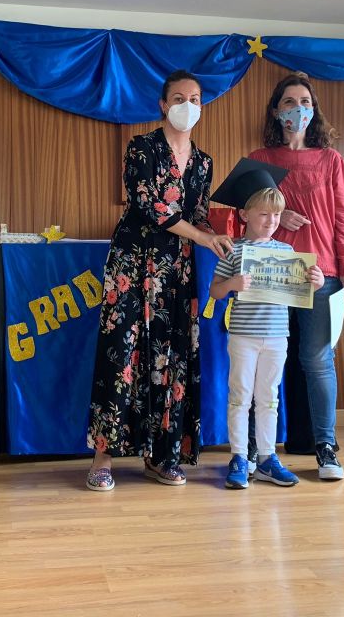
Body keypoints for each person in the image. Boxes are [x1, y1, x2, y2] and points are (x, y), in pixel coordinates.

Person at [86, 70, 233, 491]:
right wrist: (202, 237)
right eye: (179, 98)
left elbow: (198, 215)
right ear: (163, 105)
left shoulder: (204, 162)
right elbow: (153, 207)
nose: (188, 105)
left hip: (176, 270)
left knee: (172, 358)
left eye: (195, 99)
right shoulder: (141, 147)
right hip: (132, 265)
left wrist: (220, 235)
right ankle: (103, 457)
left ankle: (161, 455)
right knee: (122, 354)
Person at [249, 72, 344, 481]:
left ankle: (325, 447)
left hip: (320, 272)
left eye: (305, 102)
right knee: (264, 357)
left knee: (317, 359)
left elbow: (343, 217)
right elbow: (244, 217)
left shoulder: (331, 160)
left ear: (314, 110)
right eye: (290, 102)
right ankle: (255, 447)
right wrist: (280, 218)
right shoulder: (260, 159)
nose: (299, 109)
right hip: (271, 270)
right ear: (276, 111)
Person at [209, 177, 324, 490]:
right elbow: (215, 291)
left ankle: (266, 458)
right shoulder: (234, 250)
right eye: (264, 214)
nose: (271, 221)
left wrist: (315, 282)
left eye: (276, 215)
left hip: (276, 337)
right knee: (240, 397)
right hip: (243, 336)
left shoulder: (286, 251)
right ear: (245, 215)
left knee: (268, 399)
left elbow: (300, 291)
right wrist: (231, 285)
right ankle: (239, 456)